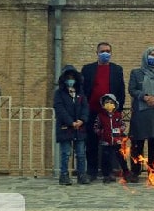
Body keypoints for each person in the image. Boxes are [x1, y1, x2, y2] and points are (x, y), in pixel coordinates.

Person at [81, 42, 126, 181]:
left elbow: (121, 91)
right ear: (97, 53)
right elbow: (83, 91)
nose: (105, 53)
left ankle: (109, 172)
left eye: (108, 51)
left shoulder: (117, 70)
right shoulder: (88, 69)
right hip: (92, 111)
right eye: (102, 51)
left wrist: (117, 110)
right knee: (91, 142)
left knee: (111, 143)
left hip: (110, 113)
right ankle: (91, 172)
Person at [127, 46, 154, 182]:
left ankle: (153, 172)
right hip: (141, 111)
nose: (153, 57)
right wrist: (145, 97)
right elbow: (132, 89)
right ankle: (135, 171)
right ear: (145, 56)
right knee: (137, 142)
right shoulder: (136, 72)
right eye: (151, 55)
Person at [53, 65, 89, 185]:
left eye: (73, 77)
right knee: (66, 153)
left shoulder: (80, 93)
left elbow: (85, 107)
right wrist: (70, 122)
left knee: (80, 153)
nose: (70, 80)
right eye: (68, 77)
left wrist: (82, 120)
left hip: (80, 128)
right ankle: (64, 175)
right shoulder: (59, 93)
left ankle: (81, 175)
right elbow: (60, 109)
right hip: (65, 127)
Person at [93, 93, 127, 183]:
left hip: (117, 141)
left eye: (111, 102)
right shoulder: (100, 116)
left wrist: (120, 130)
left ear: (115, 104)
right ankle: (107, 175)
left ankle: (126, 173)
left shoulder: (118, 115)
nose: (109, 104)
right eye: (106, 102)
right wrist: (102, 132)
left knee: (121, 157)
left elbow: (123, 125)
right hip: (105, 141)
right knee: (106, 159)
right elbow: (96, 127)